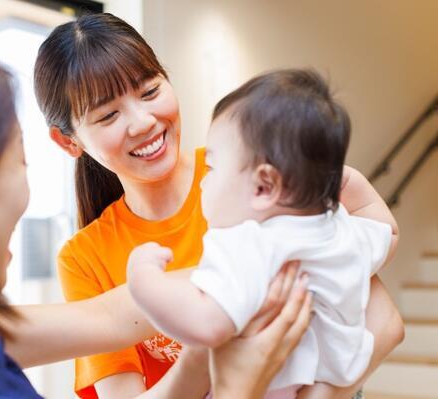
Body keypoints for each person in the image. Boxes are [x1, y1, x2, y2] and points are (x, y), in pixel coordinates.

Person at [0, 25, 313, 399]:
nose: (142, 122)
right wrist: (226, 381)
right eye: (19, 158)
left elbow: (108, 317)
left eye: (148, 91)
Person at [33, 12, 404, 399]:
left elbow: (384, 320)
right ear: (68, 141)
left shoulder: (249, 180)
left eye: (149, 92)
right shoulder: (84, 258)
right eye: (109, 115)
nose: (142, 121)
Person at [126, 69, 399, 399]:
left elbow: (206, 324)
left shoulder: (250, 243)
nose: (202, 181)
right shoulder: (339, 230)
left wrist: (142, 279)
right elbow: (387, 230)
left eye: (211, 167)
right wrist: (349, 183)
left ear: (264, 185)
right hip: (336, 382)